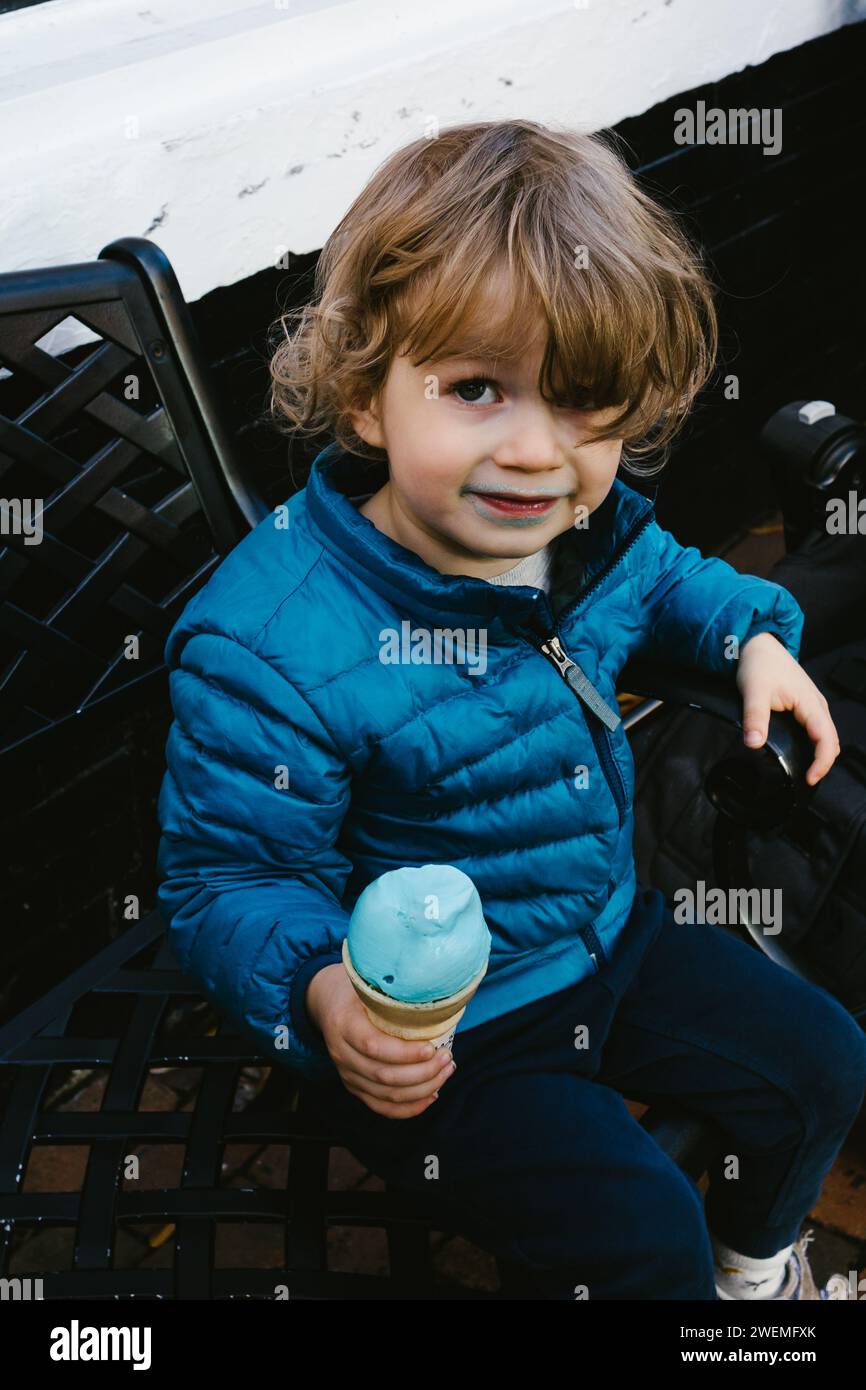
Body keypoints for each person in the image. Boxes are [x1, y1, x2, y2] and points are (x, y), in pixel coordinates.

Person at [156, 120, 866, 1299]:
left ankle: (759, 1276)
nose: (537, 452)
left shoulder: (577, 537)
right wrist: (323, 994)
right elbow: (225, 879)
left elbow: (670, 577)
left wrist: (749, 636)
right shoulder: (276, 644)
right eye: (476, 388)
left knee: (820, 1062)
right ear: (367, 397)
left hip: (599, 928)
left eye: (583, 400)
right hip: (444, 1039)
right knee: (641, 1234)